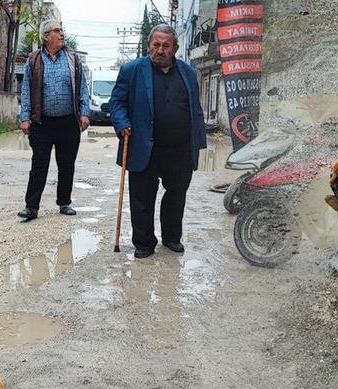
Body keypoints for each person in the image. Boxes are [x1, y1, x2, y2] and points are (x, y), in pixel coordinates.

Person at [109, 24, 207, 258]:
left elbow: (196, 109)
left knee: (176, 196)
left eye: (166, 46)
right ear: (148, 45)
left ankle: (172, 237)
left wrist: (199, 141)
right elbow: (116, 103)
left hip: (180, 148)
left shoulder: (188, 72)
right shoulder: (132, 71)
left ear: (175, 48)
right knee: (142, 198)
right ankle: (144, 243)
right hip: (144, 146)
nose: (160, 50)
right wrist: (122, 123)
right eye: (156, 45)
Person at [17, 19, 91, 221]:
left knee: (67, 164)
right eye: (56, 31)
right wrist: (25, 117)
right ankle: (31, 207)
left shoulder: (73, 59)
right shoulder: (33, 60)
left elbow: (83, 88)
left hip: (68, 121)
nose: (61, 34)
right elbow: (25, 90)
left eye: (61, 30)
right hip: (42, 123)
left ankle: (64, 202)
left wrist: (84, 113)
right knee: (39, 164)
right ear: (46, 36)